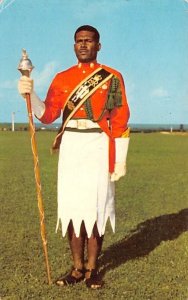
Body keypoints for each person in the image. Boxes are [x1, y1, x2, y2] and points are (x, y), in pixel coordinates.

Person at [18, 25, 130, 289]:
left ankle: (93, 269)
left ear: (98, 46)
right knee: (72, 208)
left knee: (96, 207)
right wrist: (29, 93)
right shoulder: (62, 78)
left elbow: (120, 119)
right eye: (79, 41)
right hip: (71, 146)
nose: (83, 45)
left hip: (99, 145)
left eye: (88, 41)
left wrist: (120, 159)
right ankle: (77, 268)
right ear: (74, 45)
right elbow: (47, 115)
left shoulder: (111, 77)